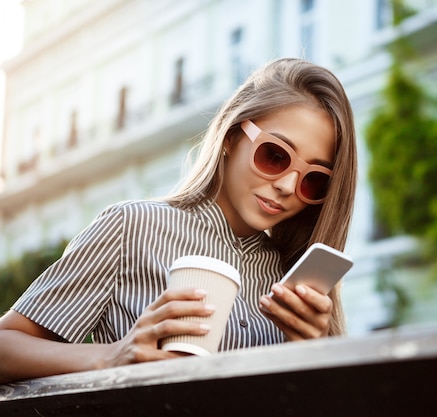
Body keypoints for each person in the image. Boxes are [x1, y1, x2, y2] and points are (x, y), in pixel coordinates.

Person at [0, 58, 357, 384]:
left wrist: (312, 355)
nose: (287, 185)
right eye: (275, 155)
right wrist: (111, 356)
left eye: (314, 179)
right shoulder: (132, 227)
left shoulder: (293, 277)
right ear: (232, 137)